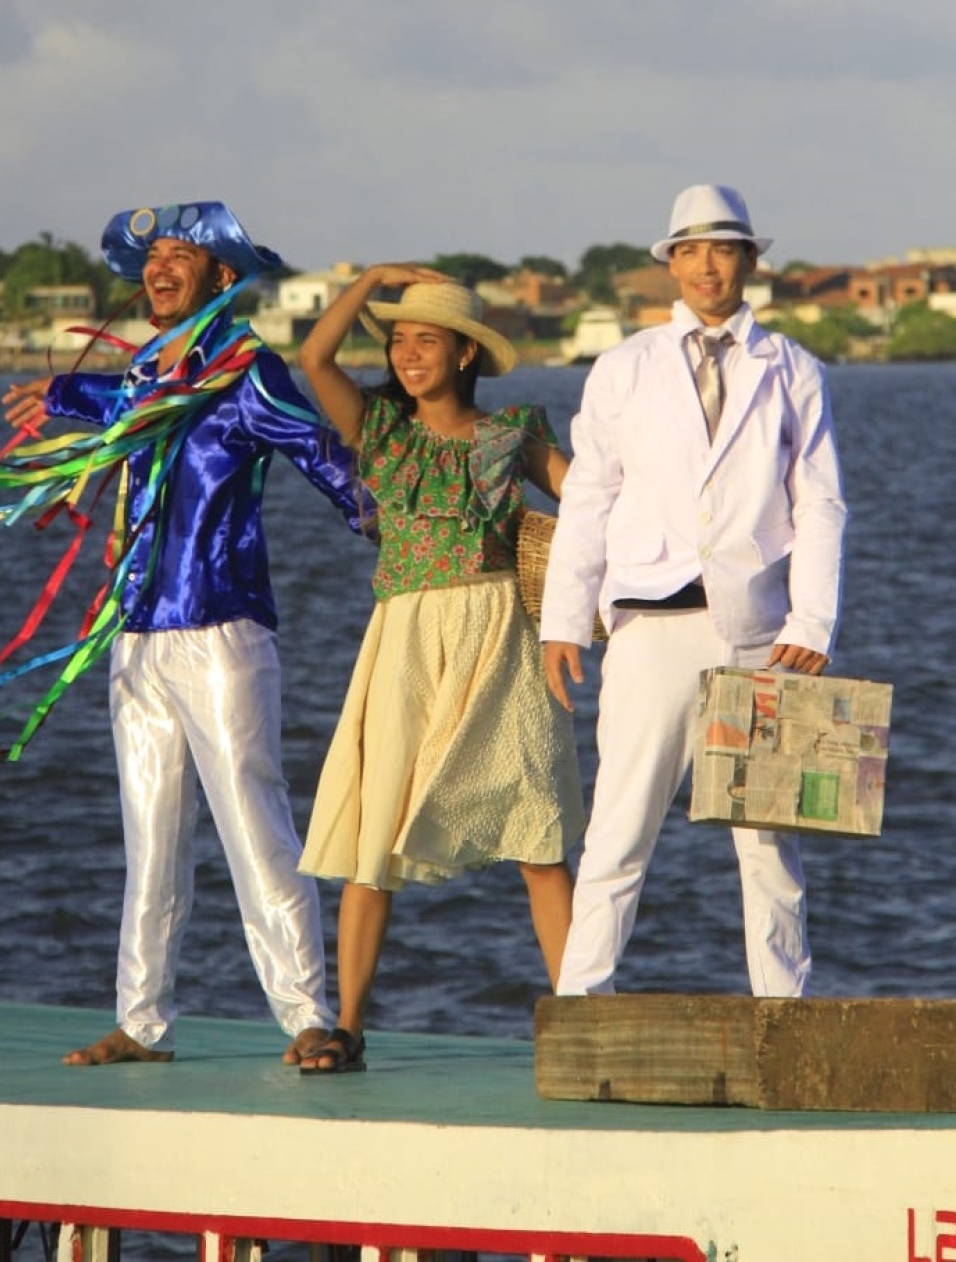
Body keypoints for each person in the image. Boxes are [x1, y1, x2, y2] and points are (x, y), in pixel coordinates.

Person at [1, 201, 370, 1066]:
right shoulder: (147, 375)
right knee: (151, 832)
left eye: (181, 256)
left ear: (218, 275)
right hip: (135, 635)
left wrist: (390, 517)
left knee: (254, 823)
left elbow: (318, 453)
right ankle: (141, 1019)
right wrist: (56, 391)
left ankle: (308, 1015)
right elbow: (122, 403)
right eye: (153, 257)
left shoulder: (248, 370)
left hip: (221, 630)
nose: (161, 269)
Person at [540, 183, 848, 999]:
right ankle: (582, 1005)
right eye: (691, 250)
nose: (708, 266)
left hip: (759, 630)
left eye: (724, 249)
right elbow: (589, 499)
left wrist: (812, 622)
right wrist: (563, 620)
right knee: (619, 829)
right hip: (650, 626)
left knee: (769, 842)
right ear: (670, 264)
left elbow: (820, 502)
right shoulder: (623, 367)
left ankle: (784, 1012)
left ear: (750, 260)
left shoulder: (794, 369)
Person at [294, 265, 584, 1073]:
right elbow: (315, 358)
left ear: (465, 354)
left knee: (539, 830)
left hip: (501, 635)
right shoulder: (379, 429)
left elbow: (590, 504)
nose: (408, 353)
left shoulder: (511, 434)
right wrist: (372, 280)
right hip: (406, 636)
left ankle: (578, 1020)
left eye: (427, 340)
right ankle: (347, 1025)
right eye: (398, 339)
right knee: (371, 832)